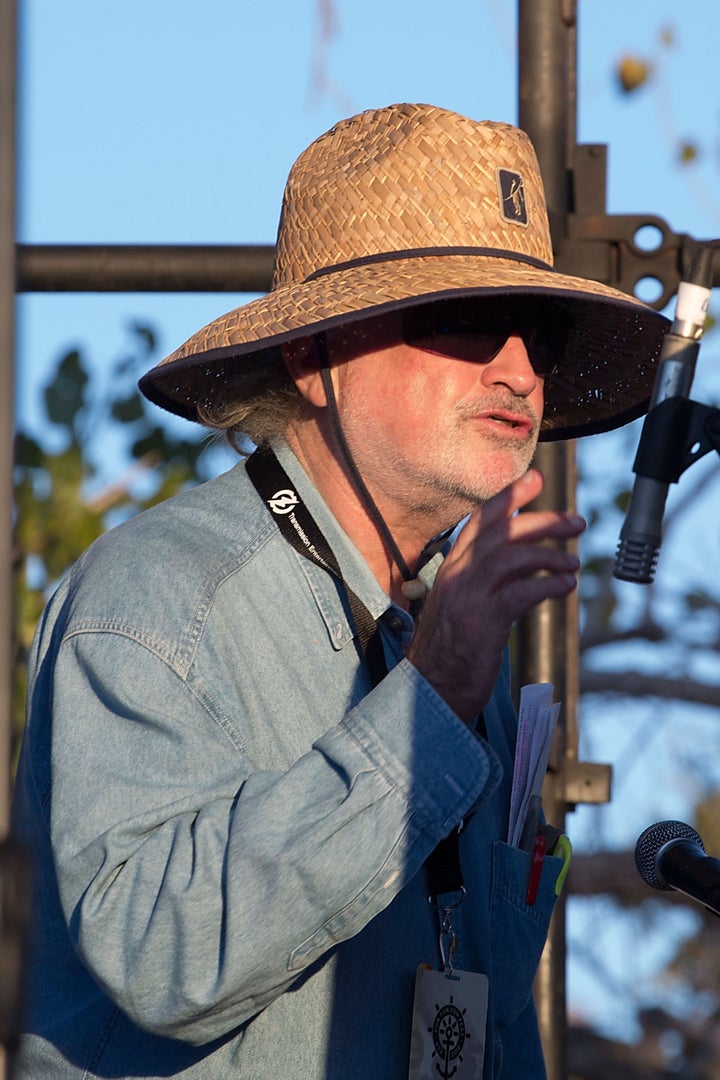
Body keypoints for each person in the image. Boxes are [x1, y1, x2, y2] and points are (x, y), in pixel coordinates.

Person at [11, 102, 668, 1079]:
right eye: (470, 320)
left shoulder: (460, 642)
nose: (522, 369)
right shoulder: (157, 602)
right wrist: (433, 692)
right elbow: (162, 952)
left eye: (541, 331)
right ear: (315, 359)